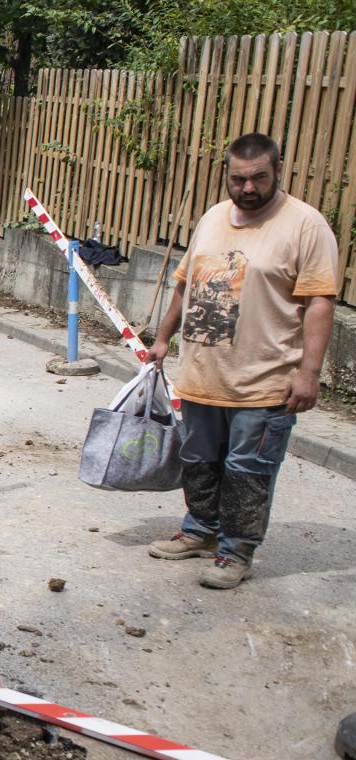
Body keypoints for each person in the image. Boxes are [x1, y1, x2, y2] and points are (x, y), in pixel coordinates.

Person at [148, 133, 338, 589]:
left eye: (258, 178)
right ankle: (199, 531)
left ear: (278, 171)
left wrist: (309, 373)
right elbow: (183, 285)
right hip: (201, 376)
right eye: (239, 178)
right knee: (197, 461)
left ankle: (236, 551)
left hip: (264, 381)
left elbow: (319, 302)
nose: (248, 188)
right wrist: (161, 339)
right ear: (227, 176)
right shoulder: (213, 218)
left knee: (247, 472)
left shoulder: (305, 226)